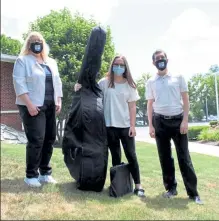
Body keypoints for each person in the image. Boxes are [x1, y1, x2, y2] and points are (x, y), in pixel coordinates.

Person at [75, 55, 145, 197]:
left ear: (125, 67)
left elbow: (132, 107)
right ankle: (116, 185)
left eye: (121, 65)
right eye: (116, 64)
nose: (118, 67)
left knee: (131, 155)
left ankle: (138, 185)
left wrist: (132, 126)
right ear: (112, 65)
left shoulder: (130, 85)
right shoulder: (104, 82)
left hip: (125, 127)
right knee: (115, 156)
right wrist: (80, 85)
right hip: (109, 126)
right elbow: (92, 90)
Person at [145, 49, 203, 204]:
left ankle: (193, 193)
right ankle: (171, 189)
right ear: (153, 62)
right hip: (160, 122)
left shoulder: (178, 77)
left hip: (178, 121)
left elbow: (186, 100)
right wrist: (150, 125)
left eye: (162, 57)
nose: (160, 60)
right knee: (165, 158)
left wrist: (185, 121)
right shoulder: (151, 82)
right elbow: (150, 104)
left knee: (184, 157)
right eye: (157, 58)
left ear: (167, 59)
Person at [13, 31, 63, 187]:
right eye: (33, 41)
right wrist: (29, 105)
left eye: (39, 41)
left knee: (49, 138)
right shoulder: (22, 61)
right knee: (37, 139)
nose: (37, 43)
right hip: (32, 106)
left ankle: (45, 173)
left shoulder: (51, 62)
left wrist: (59, 100)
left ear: (43, 44)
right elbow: (19, 84)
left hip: (49, 105)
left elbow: (58, 83)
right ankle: (31, 175)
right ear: (28, 44)